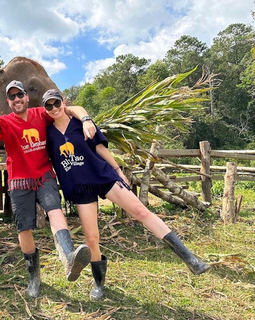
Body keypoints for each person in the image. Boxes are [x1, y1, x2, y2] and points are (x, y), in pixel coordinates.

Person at [42, 89, 211, 301]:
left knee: (141, 211)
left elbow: (100, 148)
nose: (54, 108)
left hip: (102, 176)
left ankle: (190, 259)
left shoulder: (81, 123)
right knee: (92, 238)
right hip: (79, 187)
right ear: (45, 109)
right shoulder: (48, 133)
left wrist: (118, 170)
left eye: (56, 103)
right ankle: (98, 283)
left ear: (63, 102)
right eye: (49, 106)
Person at [0, 80, 96, 299]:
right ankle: (34, 276)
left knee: (55, 210)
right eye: (12, 97)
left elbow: (64, 108)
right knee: (24, 229)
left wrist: (85, 118)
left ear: (27, 97)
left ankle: (68, 255)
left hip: (44, 175)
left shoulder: (41, 114)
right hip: (19, 181)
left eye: (20, 95)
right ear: (8, 102)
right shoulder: (6, 122)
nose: (17, 99)